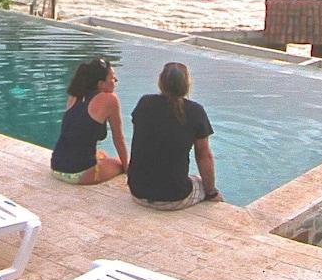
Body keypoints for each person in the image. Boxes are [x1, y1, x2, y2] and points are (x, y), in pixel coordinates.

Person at [127, 62, 222, 210]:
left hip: (138, 191)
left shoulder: (144, 103)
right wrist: (211, 192)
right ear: (187, 85)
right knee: (200, 181)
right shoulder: (195, 111)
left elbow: (142, 140)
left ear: (161, 81)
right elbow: (204, 156)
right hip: (173, 196)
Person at [50, 57, 129, 185]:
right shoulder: (110, 99)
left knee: (102, 154)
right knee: (118, 163)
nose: (116, 80)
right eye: (112, 78)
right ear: (100, 84)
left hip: (56, 166)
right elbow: (118, 139)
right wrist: (127, 169)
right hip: (78, 173)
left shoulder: (75, 95)